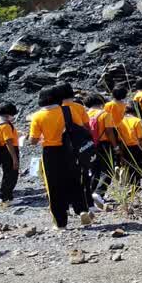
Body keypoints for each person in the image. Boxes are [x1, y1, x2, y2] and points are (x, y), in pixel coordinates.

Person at [29, 87, 91, 228]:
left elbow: (33, 141)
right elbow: (80, 128)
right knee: (75, 180)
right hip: (69, 150)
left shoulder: (37, 117)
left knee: (54, 187)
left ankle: (61, 222)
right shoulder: (67, 111)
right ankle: (81, 209)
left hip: (50, 152)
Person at [55, 83, 92, 212]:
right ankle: (87, 203)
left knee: (64, 174)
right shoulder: (79, 107)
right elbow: (87, 126)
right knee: (84, 173)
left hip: (62, 146)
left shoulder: (56, 109)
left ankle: (68, 202)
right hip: (80, 144)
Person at [88, 93, 117, 210]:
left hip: (89, 146)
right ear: (101, 102)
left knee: (94, 170)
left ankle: (89, 195)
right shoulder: (105, 114)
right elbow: (109, 132)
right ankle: (99, 193)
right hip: (104, 144)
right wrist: (115, 146)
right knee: (108, 169)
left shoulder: (85, 114)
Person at [0, 103, 20, 207]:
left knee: (7, 174)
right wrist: (15, 159)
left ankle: (5, 197)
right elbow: (8, 142)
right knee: (11, 175)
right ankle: (6, 198)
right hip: (9, 152)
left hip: (3, 151)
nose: (13, 116)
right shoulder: (5, 126)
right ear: (7, 114)